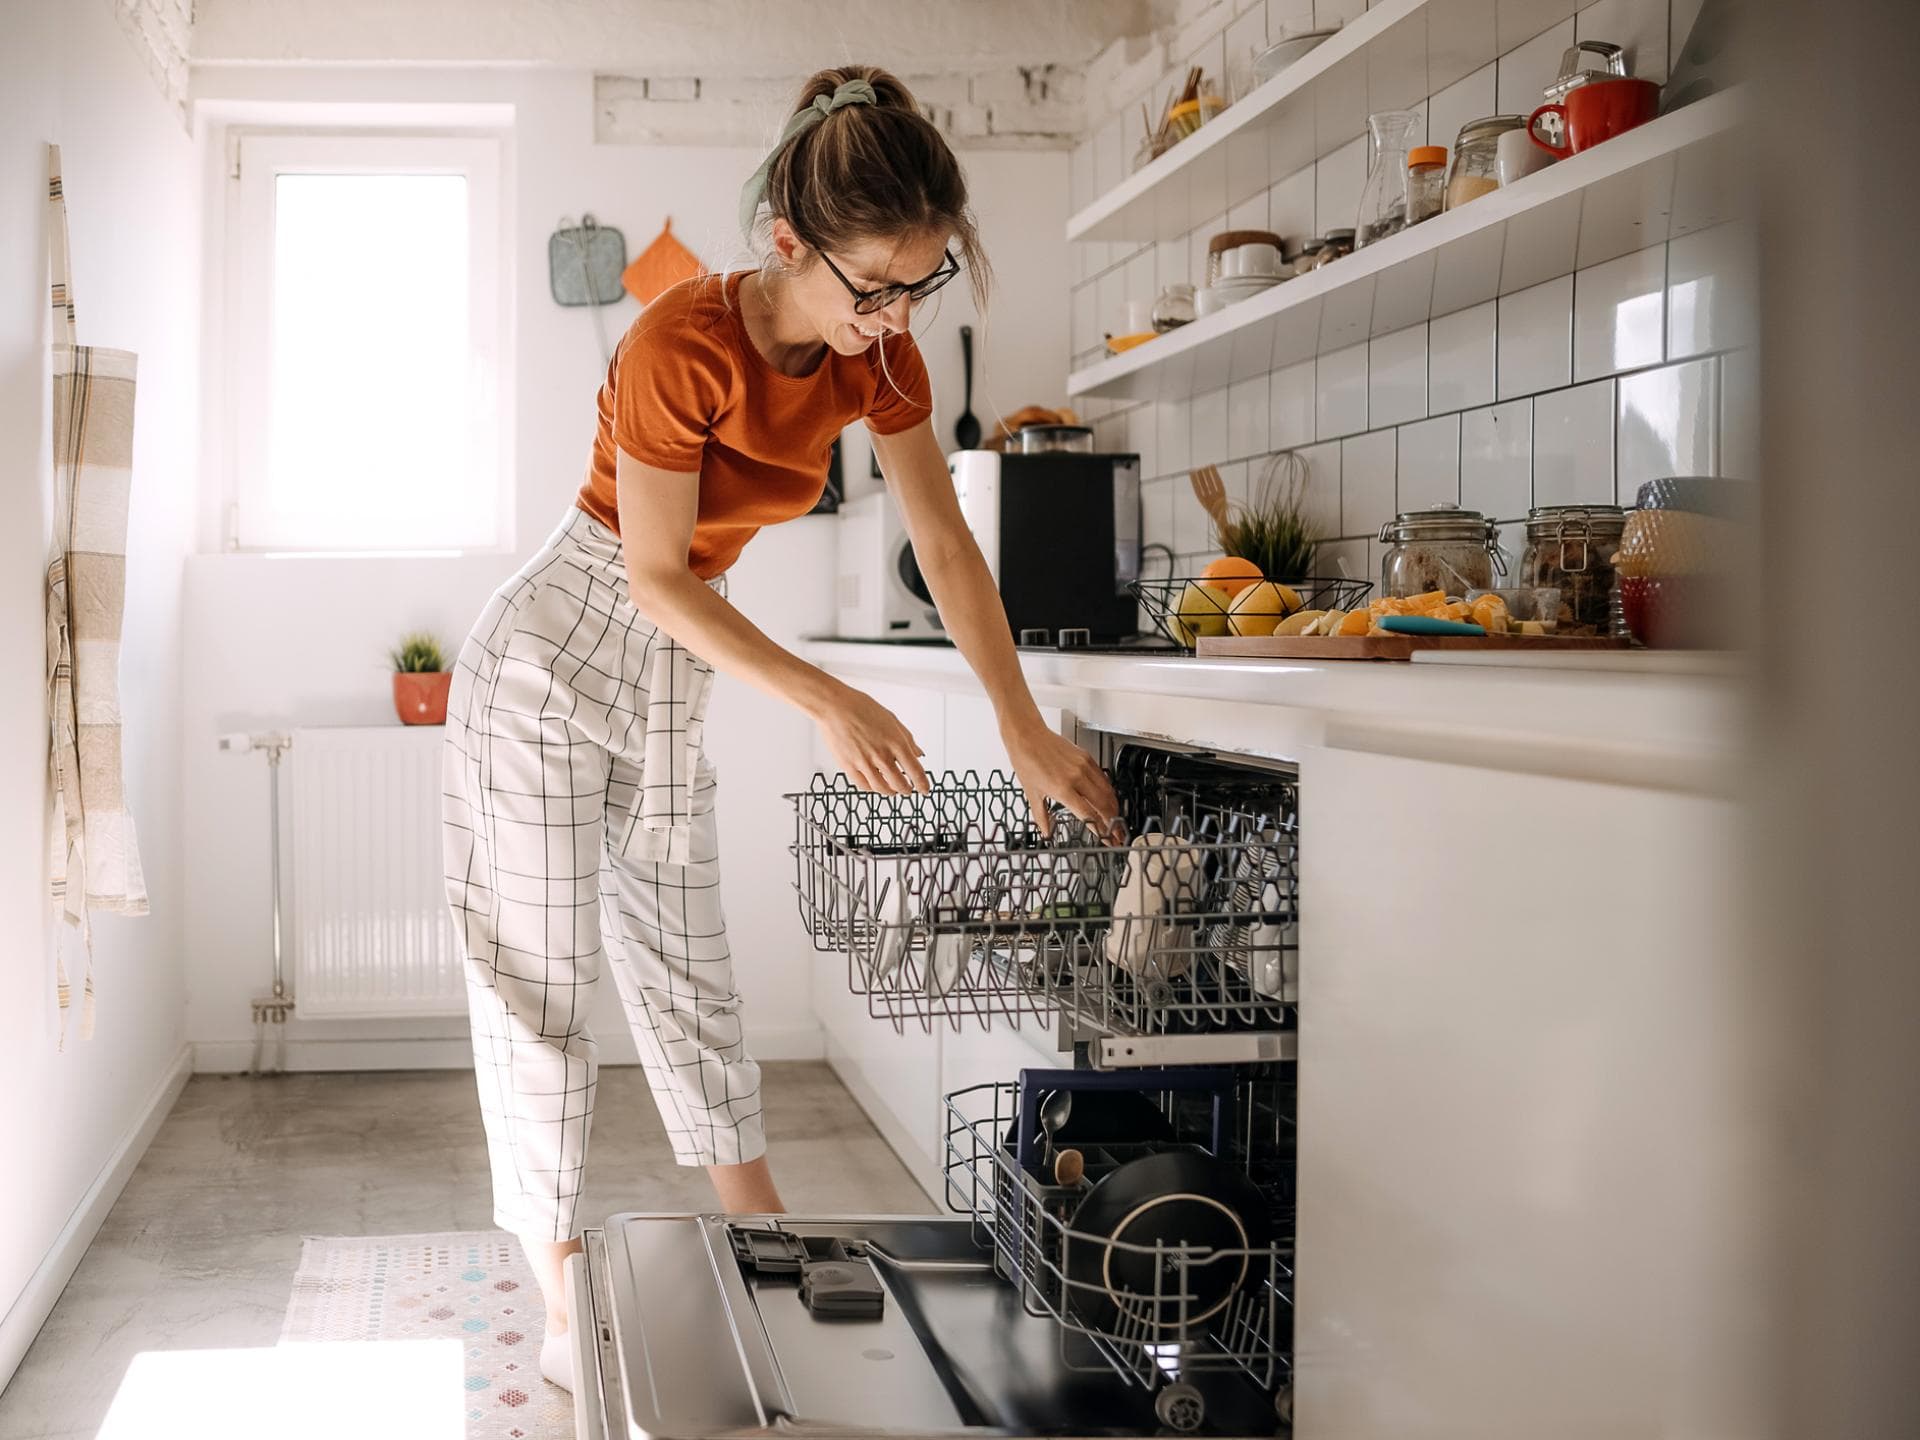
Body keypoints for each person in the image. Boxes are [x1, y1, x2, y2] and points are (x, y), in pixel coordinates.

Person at [440, 63, 1120, 1393]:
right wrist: (823, 691)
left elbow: (946, 542)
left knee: (687, 956)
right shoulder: (677, 343)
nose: (894, 314)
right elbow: (650, 572)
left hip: (676, 661)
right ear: (787, 242)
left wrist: (1022, 725)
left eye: (919, 284)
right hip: (552, 650)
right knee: (536, 990)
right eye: (872, 284)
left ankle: (767, 1239)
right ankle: (568, 1295)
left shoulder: (885, 356)